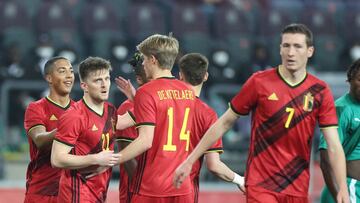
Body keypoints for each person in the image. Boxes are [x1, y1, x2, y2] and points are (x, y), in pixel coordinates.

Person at [173, 23, 349, 203]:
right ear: (280, 49)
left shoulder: (320, 90)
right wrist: (189, 161)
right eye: (286, 46)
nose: (290, 52)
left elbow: (334, 144)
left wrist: (342, 187)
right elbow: (224, 122)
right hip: (261, 185)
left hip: (297, 188)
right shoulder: (259, 82)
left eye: (297, 46)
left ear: (310, 51)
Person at [115, 34, 196, 203]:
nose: (142, 63)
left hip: (152, 187)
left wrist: (109, 161)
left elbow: (145, 141)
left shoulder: (147, 92)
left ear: (153, 59)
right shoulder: (188, 92)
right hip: (182, 186)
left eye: (144, 59)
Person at [51, 56, 120, 202]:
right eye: (97, 80)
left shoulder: (111, 110)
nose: (104, 85)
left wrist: (136, 98)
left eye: (107, 79)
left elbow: (131, 120)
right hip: (77, 192)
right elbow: (57, 159)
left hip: (99, 190)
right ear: (84, 86)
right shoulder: (74, 116)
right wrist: (95, 159)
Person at [178, 53, 245, 201]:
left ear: (180, 75)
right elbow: (214, 165)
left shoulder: (162, 104)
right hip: (183, 189)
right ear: (206, 76)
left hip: (152, 186)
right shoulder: (207, 114)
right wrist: (240, 180)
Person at [24, 56, 74, 203]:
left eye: (71, 71)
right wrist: (68, 126)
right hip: (42, 191)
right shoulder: (36, 108)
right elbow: (40, 140)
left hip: (72, 191)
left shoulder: (81, 110)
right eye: (62, 71)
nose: (69, 75)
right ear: (49, 78)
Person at [319, 58, 360, 203]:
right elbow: (326, 159)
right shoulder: (341, 109)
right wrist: (338, 195)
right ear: (350, 79)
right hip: (351, 188)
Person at [115, 51, 149, 203]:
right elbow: (127, 158)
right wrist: (144, 189)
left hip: (161, 189)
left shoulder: (162, 102)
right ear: (140, 79)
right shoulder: (127, 108)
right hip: (137, 192)